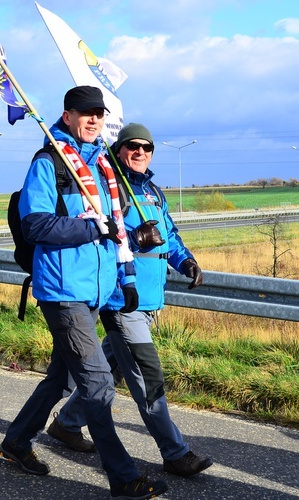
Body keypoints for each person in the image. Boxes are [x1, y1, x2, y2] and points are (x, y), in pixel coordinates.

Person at [0, 88, 169, 500]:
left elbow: (115, 235)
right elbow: (36, 226)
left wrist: (125, 280)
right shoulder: (49, 163)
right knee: (97, 385)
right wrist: (96, 228)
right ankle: (123, 476)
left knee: (60, 378)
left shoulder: (100, 168)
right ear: (68, 115)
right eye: (86, 113)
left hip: (94, 292)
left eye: (99, 113)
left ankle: (16, 442)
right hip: (61, 292)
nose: (93, 120)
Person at [45, 122, 214, 477]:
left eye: (146, 147)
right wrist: (136, 239)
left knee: (112, 368)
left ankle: (67, 423)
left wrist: (186, 261)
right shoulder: (110, 190)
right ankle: (175, 452)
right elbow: (108, 240)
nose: (140, 152)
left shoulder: (152, 191)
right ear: (119, 150)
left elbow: (169, 234)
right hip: (124, 298)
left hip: (151, 300)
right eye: (132, 146)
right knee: (147, 377)